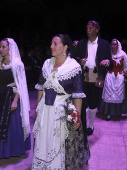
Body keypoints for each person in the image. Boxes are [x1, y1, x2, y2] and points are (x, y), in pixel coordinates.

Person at [32, 34, 90, 170]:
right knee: (43, 138)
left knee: (60, 142)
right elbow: (41, 87)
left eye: (55, 43)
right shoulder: (47, 63)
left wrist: (77, 116)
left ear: (65, 47)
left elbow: (77, 94)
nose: (51, 46)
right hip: (45, 110)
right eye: (51, 43)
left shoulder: (73, 66)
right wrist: (37, 107)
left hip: (62, 111)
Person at [0, 38, 31, 163]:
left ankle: (7, 150)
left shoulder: (17, 64)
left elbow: (21, 85)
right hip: (0, 95)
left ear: (10, 48)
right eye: (0, 47)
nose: (0, 49)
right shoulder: (0, 62)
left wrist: (15, 101)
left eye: (3, 47)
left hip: (11, 96)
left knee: (8, 125)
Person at [74, 20, 112, 136]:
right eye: (87, 27)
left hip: (97, 76)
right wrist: (79, 61)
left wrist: (107, 61)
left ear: (97, 29)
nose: (88, 29)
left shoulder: (104, 44)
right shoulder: (81, 43)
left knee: (93, 103)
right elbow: (74, 59)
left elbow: (110, 62)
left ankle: (91, 126)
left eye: (91, 27)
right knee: (82, 102)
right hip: (83, 76)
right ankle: (82, 125)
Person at [99, 39, 127, 120]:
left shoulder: (123, 55)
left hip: (119, 77)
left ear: (118, 45)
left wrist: (125, 74)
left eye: (115, 44)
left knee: (118, 95)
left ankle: (117, 112)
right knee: (109, 94)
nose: (113, 46)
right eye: (112, 44)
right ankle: (108, 113)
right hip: (110, 76)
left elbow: (126, 67)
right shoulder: (108, 55)